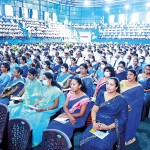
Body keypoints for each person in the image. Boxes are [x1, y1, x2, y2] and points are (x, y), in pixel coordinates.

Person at [11, 72, 65, 147]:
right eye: (42, 79)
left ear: (50, 80)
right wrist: (33, 106)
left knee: (35, 117)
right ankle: (23, 137)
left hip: (48, 109)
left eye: (44, 79)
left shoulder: (56, 90)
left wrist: (43, 109)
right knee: (24, 113)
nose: (43, 81)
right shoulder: (44, 88)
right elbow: (40, 100)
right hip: (40, 107)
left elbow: (55, 105)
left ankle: (32, 139)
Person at [80, 77, 128, 150]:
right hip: (97, 122)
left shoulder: (122, 100)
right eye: (107, 84)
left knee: (102, 146)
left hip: (111, 125)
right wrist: (94, 123)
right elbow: (94, 110)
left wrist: (108, 127)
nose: (108, 86)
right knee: (83, 139)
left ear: (116, 87)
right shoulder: (101, 93)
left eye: (111, 85)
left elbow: (123, 119)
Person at [120, 70, 144, 145]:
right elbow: (117, 92)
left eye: (131, 74)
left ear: (135, 76)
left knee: (129, 122)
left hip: (131, 108)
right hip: (120, 105)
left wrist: (129, 106)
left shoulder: (139, 87)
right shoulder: (122, 82)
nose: (128, 76)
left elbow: (139, 100)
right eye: (127, 74)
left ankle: (128, 138)